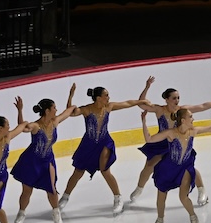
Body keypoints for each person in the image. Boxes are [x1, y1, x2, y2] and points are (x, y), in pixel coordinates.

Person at [131, 76, 211, 205]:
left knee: (188, 167)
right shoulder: (159, 109)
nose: (177, 100)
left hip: (178, 142)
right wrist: (147, 86)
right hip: (161, 142)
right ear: (166, 99)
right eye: (174, 98)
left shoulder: (182, 111)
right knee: (149, 166)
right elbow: (141, 104)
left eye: (178, 97)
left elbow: (202, 106)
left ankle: (202, 190)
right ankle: (139, 189)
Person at [141, 101, 211, 223]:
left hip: (185, 167)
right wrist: (144, 122)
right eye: (191, 117)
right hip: (168, 167)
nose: (193, 119)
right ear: (183, 120)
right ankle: (160, 219)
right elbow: (149, 139)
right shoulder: (171, 133)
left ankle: (193, 216)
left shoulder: (193, 131)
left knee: (183, 196)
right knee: (161, 195)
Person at [58, 84, 149, 216]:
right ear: (98, 98)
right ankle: (65, 197)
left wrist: (140, 101)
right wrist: (71, 95)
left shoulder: (109, 107)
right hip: (88, 144)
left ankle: (118, 198)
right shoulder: (87, 109)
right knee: (78, 172)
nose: (108, 97)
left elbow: (127, 103)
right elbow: (70, 113)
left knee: (105, 170)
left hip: (104, 142)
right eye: (106, 95)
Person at [11, 94, 77, 223]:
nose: (56, 110)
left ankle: (56, 211)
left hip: (47, 160)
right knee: (27, 191)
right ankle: (22, 212)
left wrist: (71, 96)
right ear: (47, 111)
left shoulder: (55, 122)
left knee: (51, 188)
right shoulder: (36, 126)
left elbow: (69, 111)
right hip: (31, 161)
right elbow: (23, 127)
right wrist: (20, 111)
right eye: (54, 108)